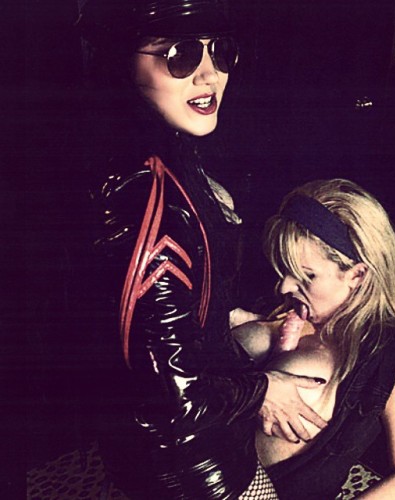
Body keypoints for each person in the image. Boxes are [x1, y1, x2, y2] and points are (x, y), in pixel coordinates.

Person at [75, 0, 328, 498]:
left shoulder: (162, 155)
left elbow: (152, 322)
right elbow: (176, 399)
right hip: (193, 468)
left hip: (170, 453)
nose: (210, 75)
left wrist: (227, 316)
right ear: (121, 62)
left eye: (221, 51)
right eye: (181, 54)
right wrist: (264, 389)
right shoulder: (145, 198)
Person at [232, 178, 395, 499]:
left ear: (357, 275)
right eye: (284, 269)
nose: (285, 286)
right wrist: (257, 388)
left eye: (307, 275)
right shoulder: (278, 312)